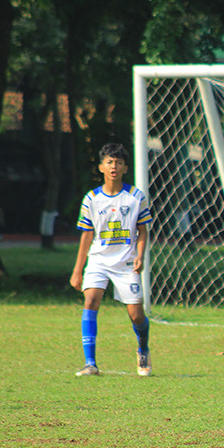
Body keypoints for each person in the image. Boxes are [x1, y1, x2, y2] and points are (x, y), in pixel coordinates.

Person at [69, 143, 153, 377]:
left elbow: (143, 230)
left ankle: (143, 349)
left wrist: (140, 255)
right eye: (109, 162)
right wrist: (78, 270)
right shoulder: (91, 199)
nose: (114, 166)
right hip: (98, 261)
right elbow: (86, 235)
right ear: (101, 167)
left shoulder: (136, 197)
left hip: (126, 262)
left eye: (118, 162)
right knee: (91, 301)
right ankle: (90, 363)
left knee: (136, 315)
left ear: (126, 167)